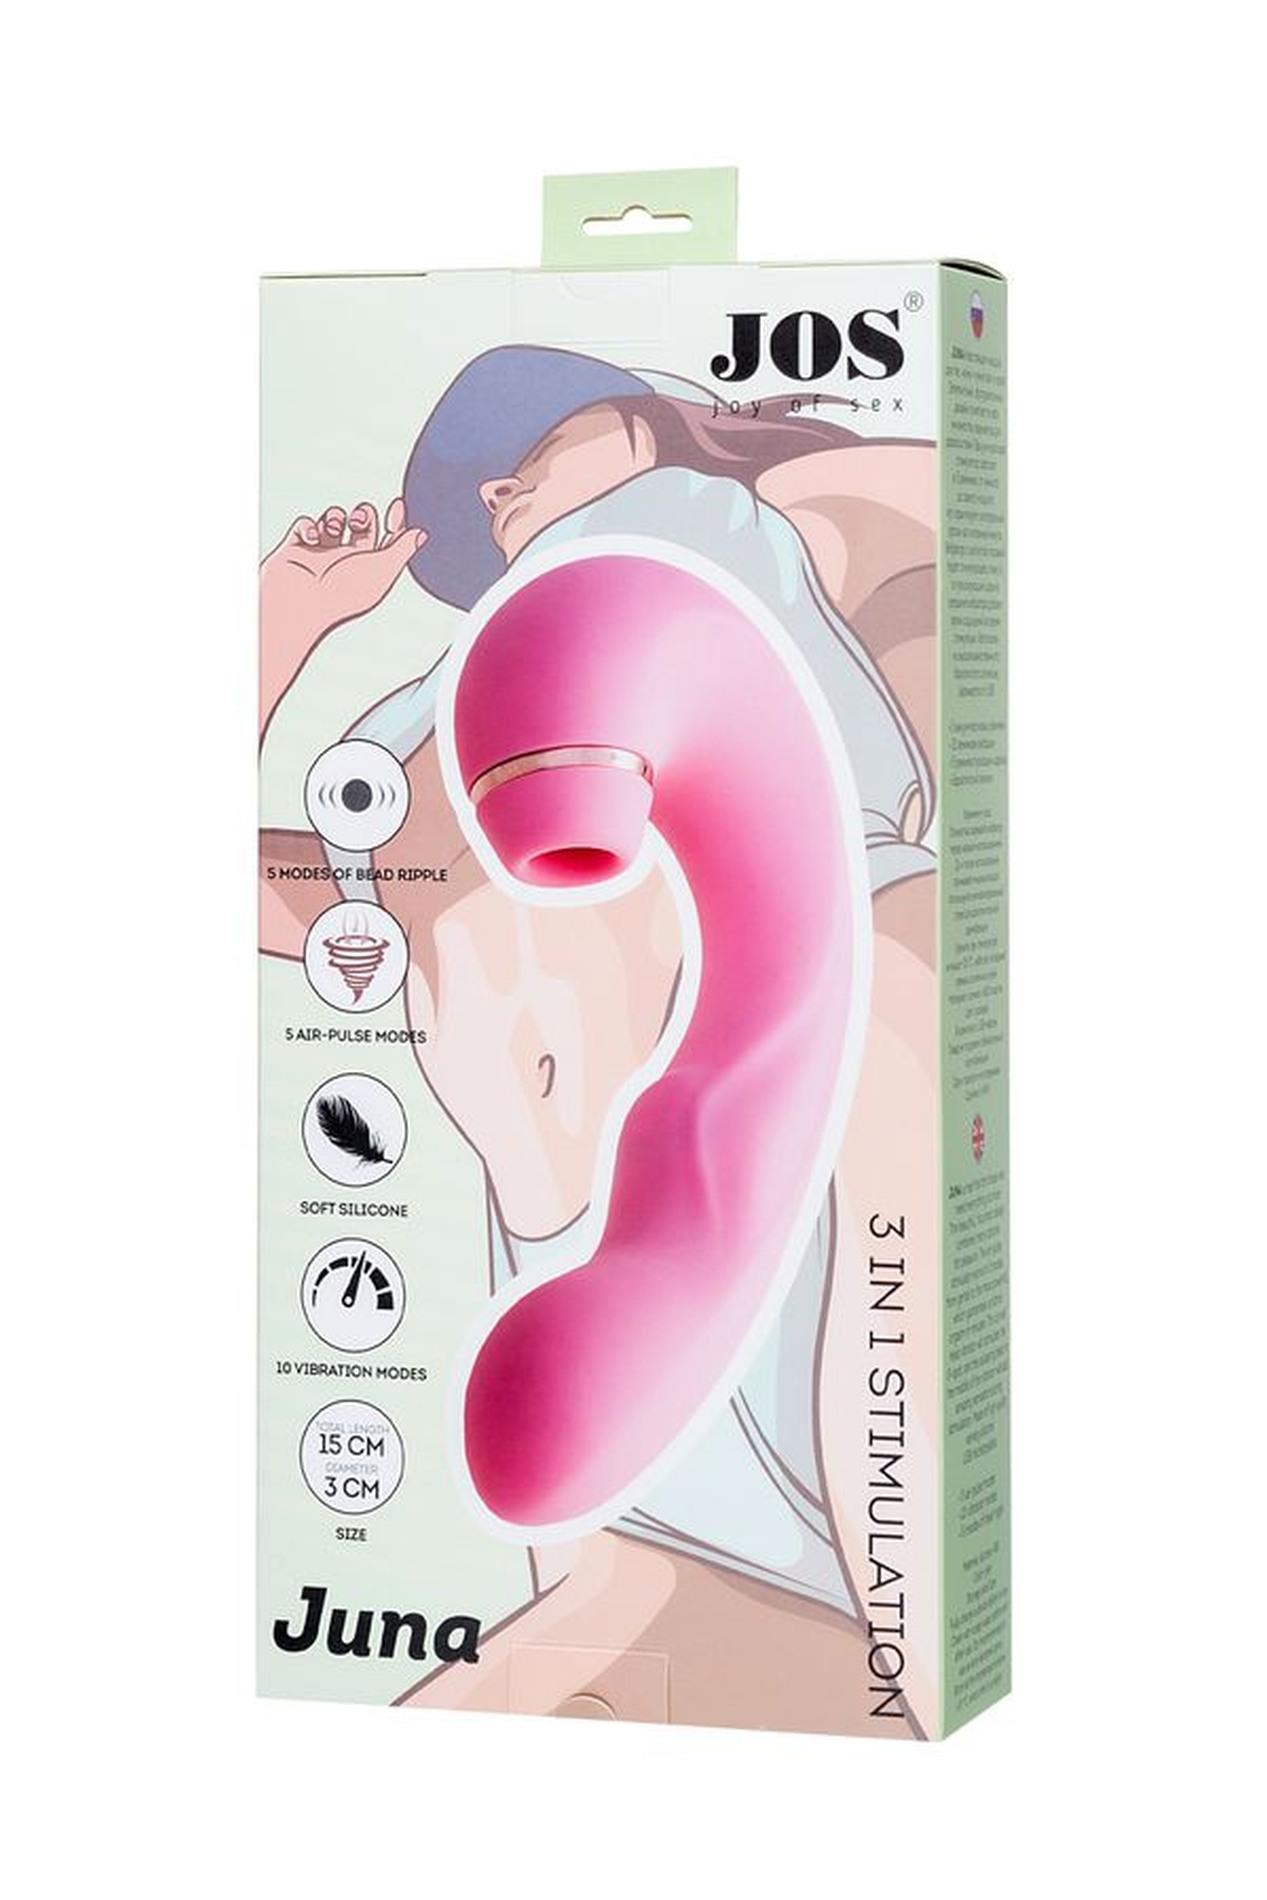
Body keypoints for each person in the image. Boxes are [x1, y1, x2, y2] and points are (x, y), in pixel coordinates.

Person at [260, 348, 940, 1733]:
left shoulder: (734, 525)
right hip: (620, 1439)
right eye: (474, 498)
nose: (495, 492)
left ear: (641, 422)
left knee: (908, 1651)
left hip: (815, 1194)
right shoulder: (433, 740)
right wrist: (282, 621)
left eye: (529, 446)